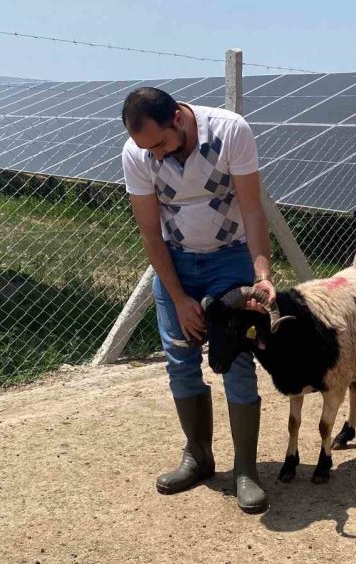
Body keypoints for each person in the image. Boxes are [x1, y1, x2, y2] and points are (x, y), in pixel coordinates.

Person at [120, 87, 275, 514]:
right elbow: (151, 233)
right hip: (177, 264)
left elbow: (253, 212)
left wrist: (261, 275)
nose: (154, 156)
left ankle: (246, 469)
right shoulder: (138, 154)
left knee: (236, 359)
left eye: (160, 144)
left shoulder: (230, 132)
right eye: (146, 149)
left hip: (230, 260)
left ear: (179, 119)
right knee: (179, 359)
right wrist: (179, 297)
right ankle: (199, 456)